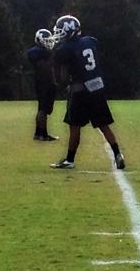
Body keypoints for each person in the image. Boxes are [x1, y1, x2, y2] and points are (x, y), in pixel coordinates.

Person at [48, 15, 125, 170]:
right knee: (104, 126)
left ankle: (69, 160)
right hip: (97, 88)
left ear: (69, 31)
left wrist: (64, 83)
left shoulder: (65, 49)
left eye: (62, 32)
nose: (59, 35)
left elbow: (63, 76)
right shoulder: (90, 41)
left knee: (74, 127)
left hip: (80, 91)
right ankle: (118, 154)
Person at [28, 29, 58, 141]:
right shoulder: (38, 52)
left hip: (44, 82)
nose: (48, 42)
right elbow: (43, 65)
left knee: (42, 108)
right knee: (43, 109)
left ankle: (38, 133)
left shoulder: (42, 52)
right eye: (46, 40)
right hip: (44, 83)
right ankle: (43, 134)